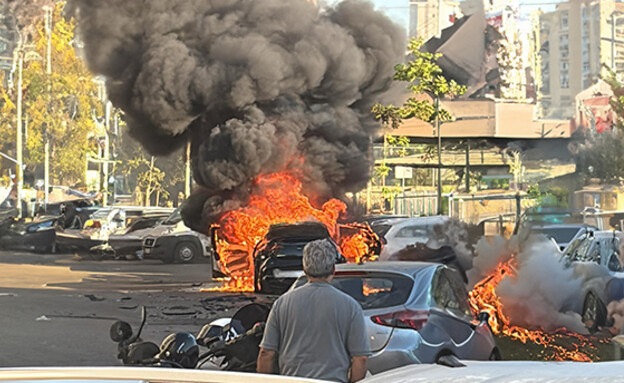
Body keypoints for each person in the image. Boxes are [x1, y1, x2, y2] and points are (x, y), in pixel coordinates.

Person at [257, 239, 370, 382]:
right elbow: (361, 358)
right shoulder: (351, 306)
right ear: (333, 269)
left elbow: (266, 353)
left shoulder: (282, 303)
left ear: (305, 268)